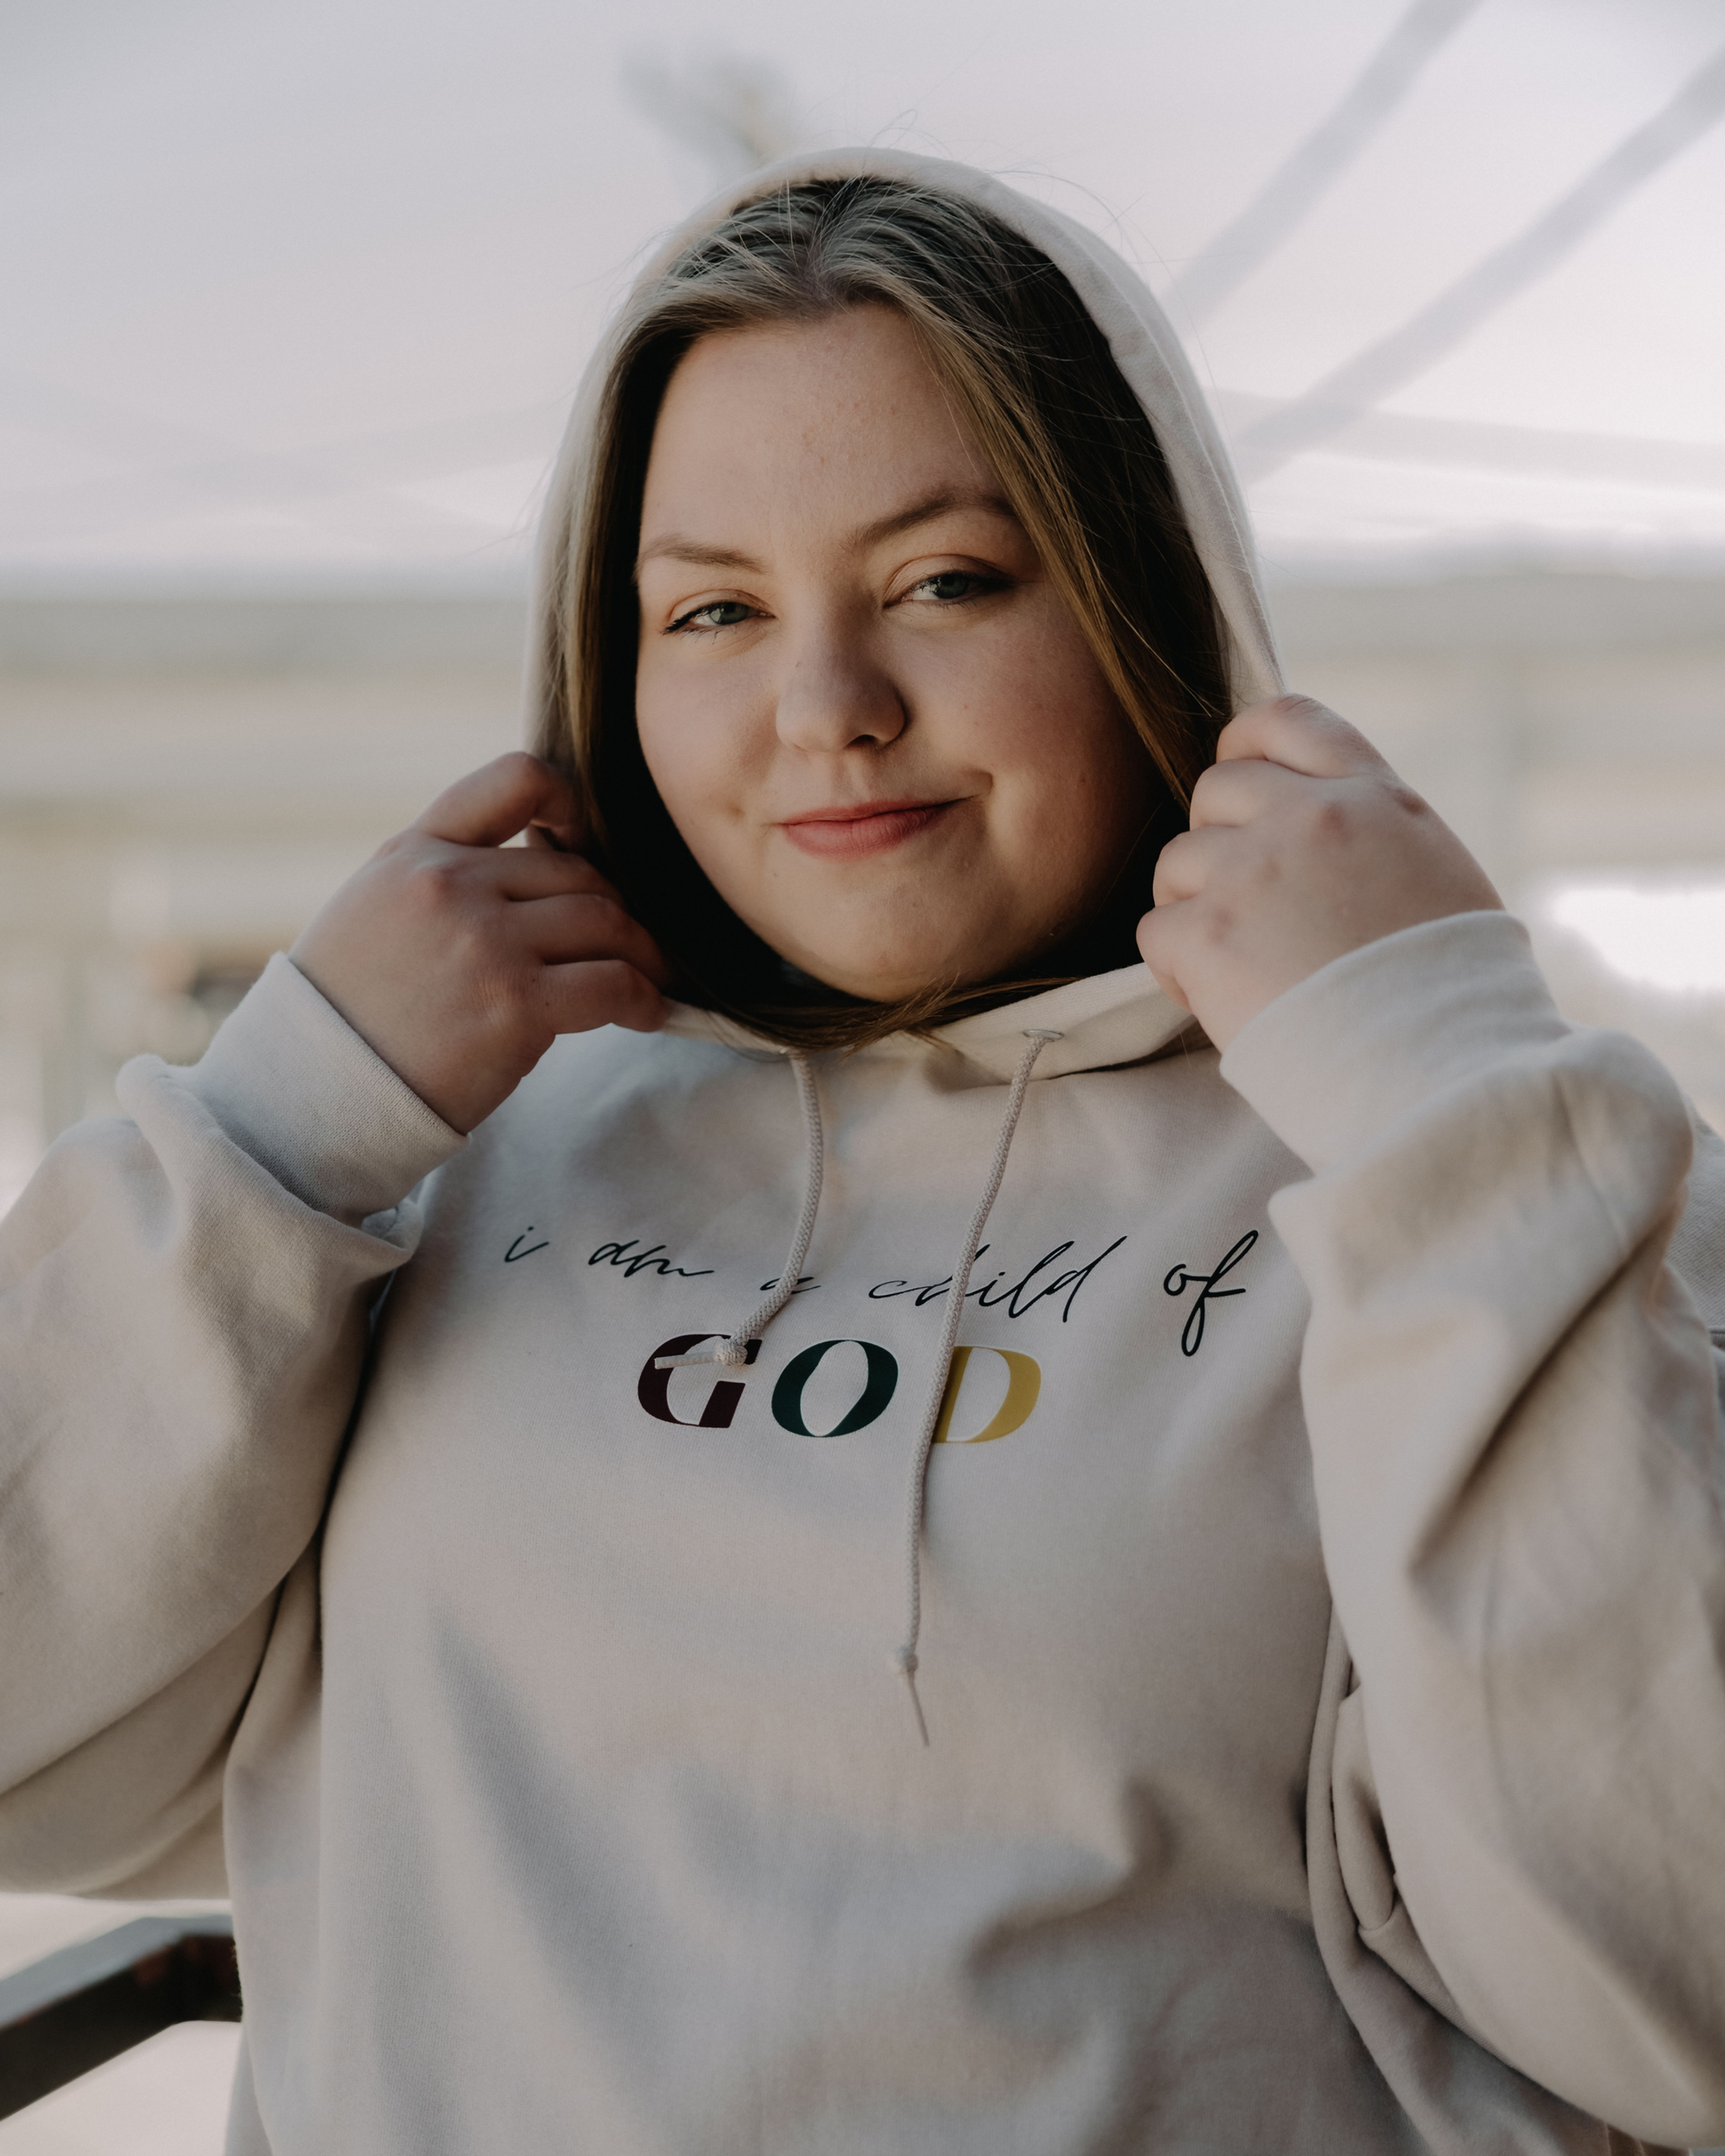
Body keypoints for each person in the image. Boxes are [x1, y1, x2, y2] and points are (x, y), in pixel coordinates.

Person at [2, 151, 1723, 2156]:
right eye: (713, 609)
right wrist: (279, 1119)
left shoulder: (1444, 1164)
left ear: (1138, 596)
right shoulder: (422, 1160)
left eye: (946, 582)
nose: (826, 709)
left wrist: (1435, 1092)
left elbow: (1675, 1982)